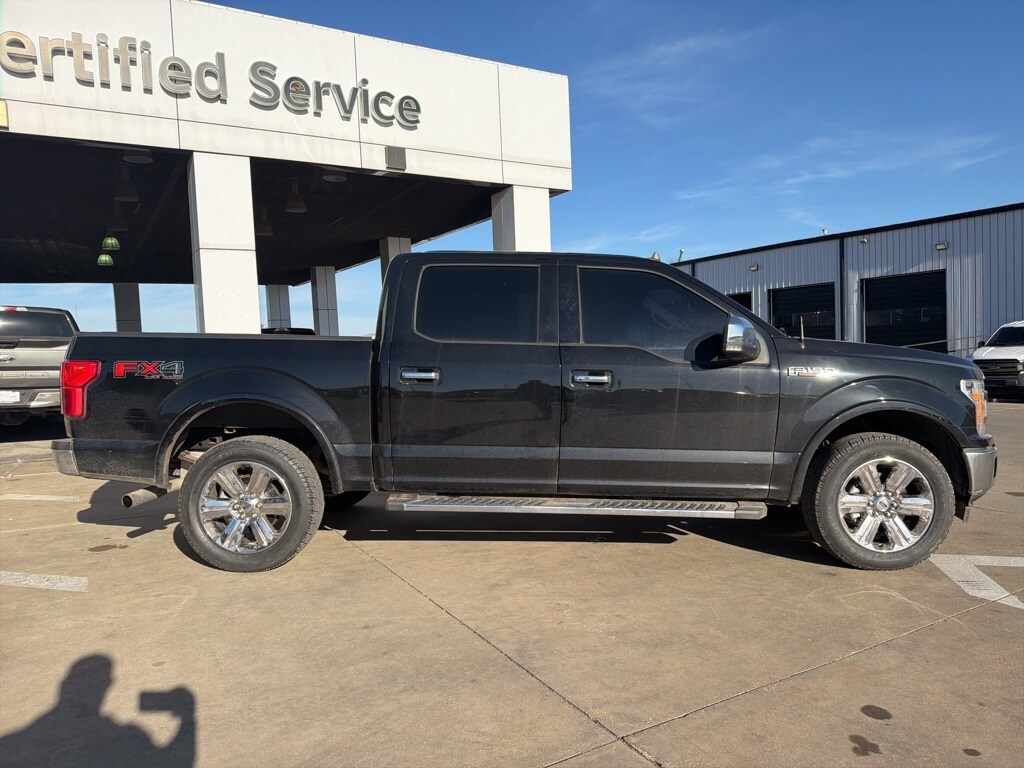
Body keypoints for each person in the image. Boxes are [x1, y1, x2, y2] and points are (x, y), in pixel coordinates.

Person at [0, 654, 195, 768]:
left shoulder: (10, 746)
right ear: (109, 684)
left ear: (64, 684)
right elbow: (175, 763)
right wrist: (187, 719)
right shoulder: (130, 739)